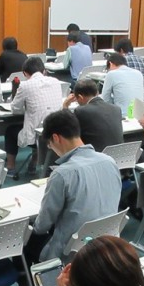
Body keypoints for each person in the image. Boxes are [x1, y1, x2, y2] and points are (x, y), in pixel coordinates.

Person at [29, 110, 121, 263]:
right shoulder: (110, 161)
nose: (52, 149)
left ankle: (34, 276)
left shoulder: (62, 174)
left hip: (71, 251)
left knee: (26, 241)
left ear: (56, 138)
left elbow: (42, 226)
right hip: (107, 241)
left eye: (50, 145)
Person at [5, 56, 63, 176]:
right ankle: (33, 163)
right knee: (38, 123)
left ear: (25, 73)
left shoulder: (25, 85)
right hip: (55, 133)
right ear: (44, 71)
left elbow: (15, 109)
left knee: (10, 131)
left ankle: (10, 167)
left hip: (37, 136)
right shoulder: (56, 81)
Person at [62, 78, 123, 152]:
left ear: (80, 97)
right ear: (97, 93)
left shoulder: (81, 111)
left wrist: (65, 106)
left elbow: (67, 128)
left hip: (95, 156)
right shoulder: (116, 109)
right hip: (119, 155)